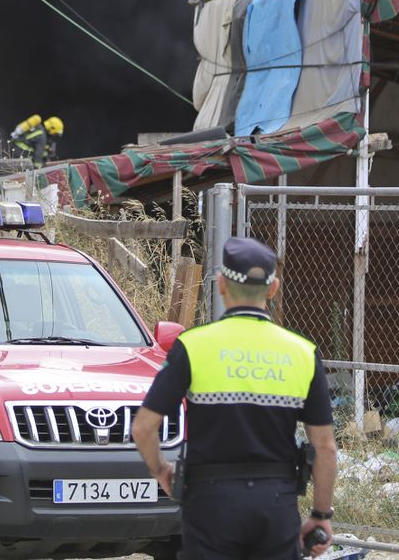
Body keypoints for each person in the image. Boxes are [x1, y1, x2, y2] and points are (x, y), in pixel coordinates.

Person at [132, 237, 337, 560]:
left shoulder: (193, 346)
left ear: (222, 284)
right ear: (273, 289)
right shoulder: (303, 353)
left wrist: (161, 470)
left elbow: (144, 428)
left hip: (210, 504)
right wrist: (321, 515)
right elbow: (325, 446)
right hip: (276, 503)